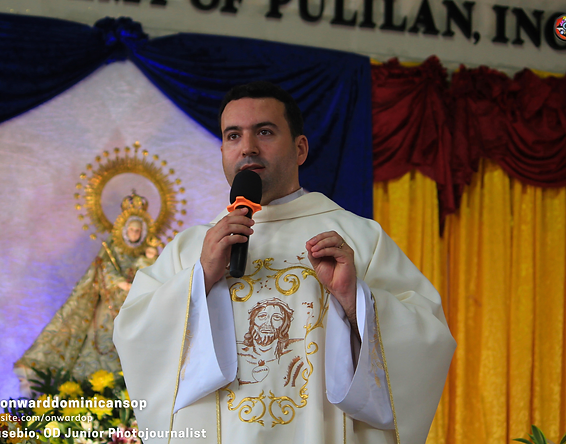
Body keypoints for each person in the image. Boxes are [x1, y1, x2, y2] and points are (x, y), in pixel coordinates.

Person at [113, 82, 456, 444]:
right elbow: (134, 333)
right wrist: (200, 279)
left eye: (264, 131)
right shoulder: (191, 249)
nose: (247, 147)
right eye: (233, 135)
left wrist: (355, 300)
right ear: (223, 151)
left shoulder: (358, 238)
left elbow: (427, 339)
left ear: (300, 148)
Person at [15, 193, 158, 392]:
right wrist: (121, 284)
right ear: (124, 230)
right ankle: (93, 388)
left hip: (136, 307)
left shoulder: (148, 252)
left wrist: (150, 259)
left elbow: (154, 276)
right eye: (131, 229)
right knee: (101, 340)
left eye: (138, 230)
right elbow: (103, 268)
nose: (134, 233)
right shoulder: (113, 248)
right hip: (109, 305)